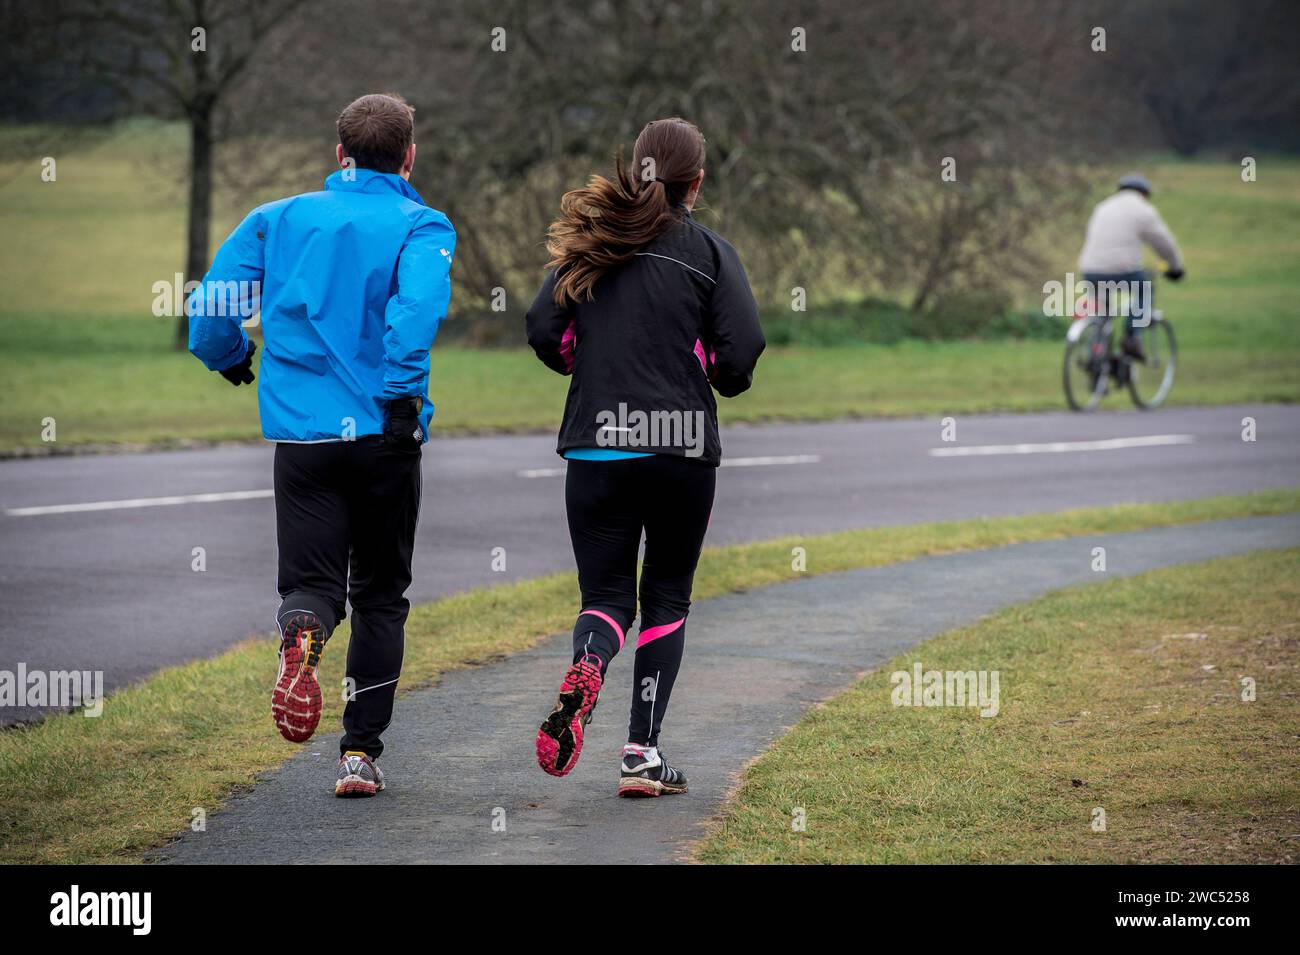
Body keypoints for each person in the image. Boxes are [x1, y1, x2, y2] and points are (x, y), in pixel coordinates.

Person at [188, 93, 455, 798]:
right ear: (408, 156)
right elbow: (417, 312)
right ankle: (359, 753)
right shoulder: (421, 224)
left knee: (310, 584)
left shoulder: (276, 220)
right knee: (380, 595)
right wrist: (399, 397)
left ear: (340, 154)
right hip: (383, 435)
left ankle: (303, 631)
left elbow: (211, 307)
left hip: (303, 438)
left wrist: (228, 357)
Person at [525, 117, 765, 797]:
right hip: (682, 448)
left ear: (639, 169)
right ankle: (641, 752)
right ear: (698, 180)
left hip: (597, 442)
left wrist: (582, 359)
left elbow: (545, 328)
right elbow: (740, 355)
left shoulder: (591, 242)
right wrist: (713, 373)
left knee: (604, 596)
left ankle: (590, 664)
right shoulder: (711, 253)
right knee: (665, 595)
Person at [1077, 173, 1184, 360]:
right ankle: (1132, 338)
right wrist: (1175, 267)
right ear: (1144, 194)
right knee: (1145, 288)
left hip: (1090, 270)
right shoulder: (1143, 210)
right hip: (1121, 270)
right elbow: (1163, 244)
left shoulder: (1102, 207)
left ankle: (1095, 352)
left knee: (1102, 309)